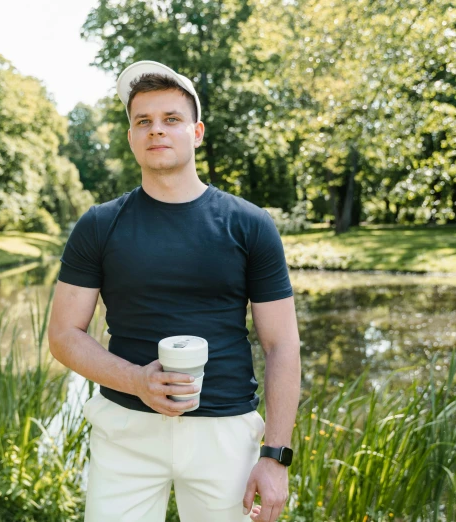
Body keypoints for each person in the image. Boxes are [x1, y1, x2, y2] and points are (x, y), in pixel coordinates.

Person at [48, 60, 301, 522]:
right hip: (125, 431)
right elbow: (64, 336)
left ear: (197, 132)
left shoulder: (250, 224)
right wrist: (137, 382)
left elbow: (282, 345)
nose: (155, 130)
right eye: (142, 121)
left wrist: (275, 455)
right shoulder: (99, 225)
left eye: (171, 119)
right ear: (130, 138)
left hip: (224, 433)